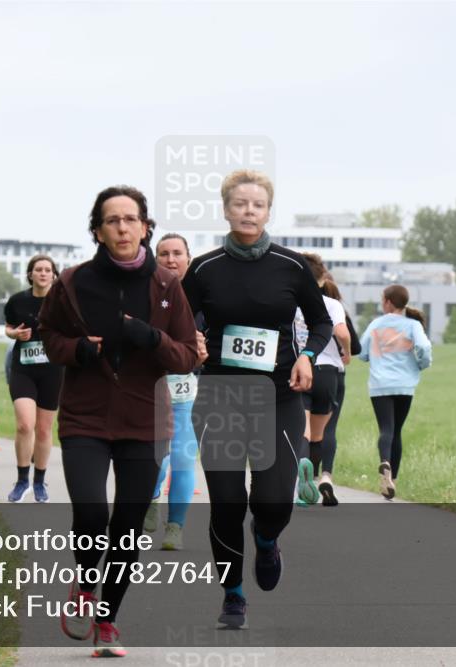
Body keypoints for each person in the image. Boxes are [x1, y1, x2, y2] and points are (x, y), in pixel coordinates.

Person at [39, 186, 198, 657]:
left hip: (145, 420)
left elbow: (187, 356)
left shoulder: (167, 286)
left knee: (127, 526)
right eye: (113, 220)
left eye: (131, 219)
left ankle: (107, 622)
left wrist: (151, 338)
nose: (123, 228)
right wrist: (78, 350)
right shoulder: (72, 282)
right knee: (91, 512)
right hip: (85, 416)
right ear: (98, 231)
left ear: (145, 227)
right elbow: (49, 336)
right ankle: (86, 584)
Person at [181, 170, 332, 630]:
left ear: (268, 211)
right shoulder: (203, 268)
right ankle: (233, 595)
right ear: (226, 209)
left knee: (274, 502)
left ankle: (266, 541)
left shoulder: (291, 266)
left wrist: (307, 355)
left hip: (278, 397)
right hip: (220, 397)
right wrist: (192, 342)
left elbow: (321, 322)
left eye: (258, 205)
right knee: (227, 502)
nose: (249, 211)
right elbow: (181, 323)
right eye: (240, 204)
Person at [145, 233, 209, 550]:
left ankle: (175, 527)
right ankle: (152, 496)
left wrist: (204, 350)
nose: (171, 259)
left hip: (188, 390)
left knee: (183, 457)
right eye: (164, 254)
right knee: (157, 458)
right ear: (155, 259)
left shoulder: (205, 299)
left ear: (188, 258)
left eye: (177, 253)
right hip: (151, 389)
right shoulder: (146, 294)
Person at [358, 284, 432, 500]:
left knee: (386, 429)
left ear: (388, 302)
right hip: (405, 385)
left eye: (383, 300)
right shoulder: (413, 325)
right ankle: (393, 480)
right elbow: (424, 347)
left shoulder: (376, 324)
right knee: (397, 431)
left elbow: (361, 352)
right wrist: (422, 364)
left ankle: (385, 462)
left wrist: (372, 356)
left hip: (379, 385)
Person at [293, 254, 352, 506]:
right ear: (322, 279)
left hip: (299, 368)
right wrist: (346, 351)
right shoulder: (331, 303)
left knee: (302, 432)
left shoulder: (291, 303)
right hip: (328, 371)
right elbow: (341, 332)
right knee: (320, 433)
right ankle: (317, 479)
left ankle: (302, 482)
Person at [4, 254, 63, 504]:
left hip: (52, 371)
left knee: (43, 429)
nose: (43, 273)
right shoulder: (17, 301)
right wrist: (15, 334)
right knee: (25, 425)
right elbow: (8, 328)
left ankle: (39, 482)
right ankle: (21, 481)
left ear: (54, 275)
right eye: (38, 269)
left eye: (47, 270)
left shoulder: (62, 301)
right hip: (23, 369)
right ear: (30, 274)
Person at [317, 272, 361, 506]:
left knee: (306, 428)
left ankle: (308, 478)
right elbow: (355, 345)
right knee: (329, 428)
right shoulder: (337, 310)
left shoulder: (303, 307)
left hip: (306, 369)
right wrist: (345, 351)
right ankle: (326, 475)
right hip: (334, 375)